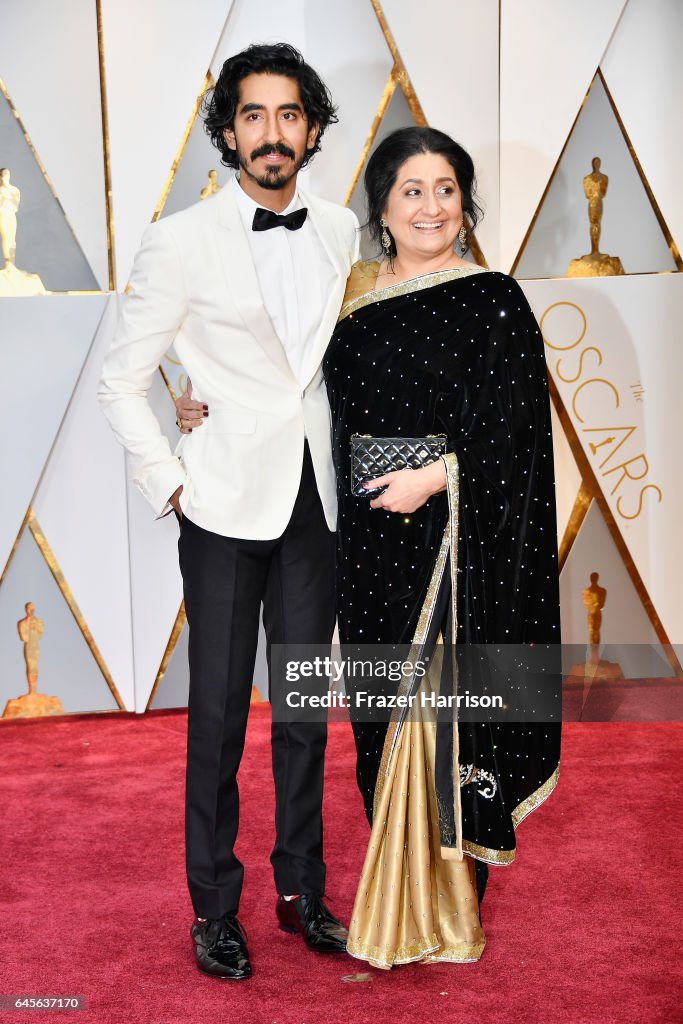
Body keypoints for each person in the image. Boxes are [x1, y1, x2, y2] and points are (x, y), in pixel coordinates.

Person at [98, 43, 359, 981]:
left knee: (302, 713)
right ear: (228, 131)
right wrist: (170, 479)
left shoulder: (340, 231)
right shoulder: (182, 238)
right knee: (214, 715)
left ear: (312, 130)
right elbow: (122, 379)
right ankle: (214, 907)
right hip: (216, 506)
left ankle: (303, 893)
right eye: (252, 116)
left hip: (314, 504)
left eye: (289, 115)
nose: (271, 133)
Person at [323, 127, 561, 968]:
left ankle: (445, 914)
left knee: (450, 720)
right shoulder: (348, 293)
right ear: (382, 208)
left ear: (465, 204)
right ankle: (400, 895)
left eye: (447, 189)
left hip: (453, 540)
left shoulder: (491, 297)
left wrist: (434, 480)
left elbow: (518, 435)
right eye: (412, 190)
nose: (432, 206)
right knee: (381, 721)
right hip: (367, 542)